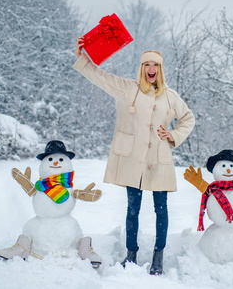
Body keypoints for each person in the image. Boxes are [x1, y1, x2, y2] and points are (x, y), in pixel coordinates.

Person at [73, 37, 195, 275]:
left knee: (162, 208)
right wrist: (82, 57)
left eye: (156, 65)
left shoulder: (171, 96)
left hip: (158, 159)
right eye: (147, 65)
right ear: (141, 68)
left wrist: (172, 135)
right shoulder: (127, 88)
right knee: (132, 208)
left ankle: (158, 257)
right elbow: (99, 76)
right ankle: (131, 256)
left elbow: (188, 118)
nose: (151, 69)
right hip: (132, 159)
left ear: (161, 69)